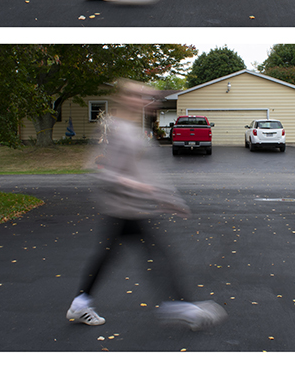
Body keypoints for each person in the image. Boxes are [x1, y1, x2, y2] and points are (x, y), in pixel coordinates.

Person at [66, 79, 227, 331]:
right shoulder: (113, 129)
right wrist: (139, 188)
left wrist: (169, 198)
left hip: (133, 208)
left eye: (149, 98)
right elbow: (100, 171)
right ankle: (178, 304)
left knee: (112, 256)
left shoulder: (136, 129)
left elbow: (147, 170)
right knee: (157, 254)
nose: (147, 102)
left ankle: (81, 302)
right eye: (139, 96)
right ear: (125, 98)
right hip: (123, 207)